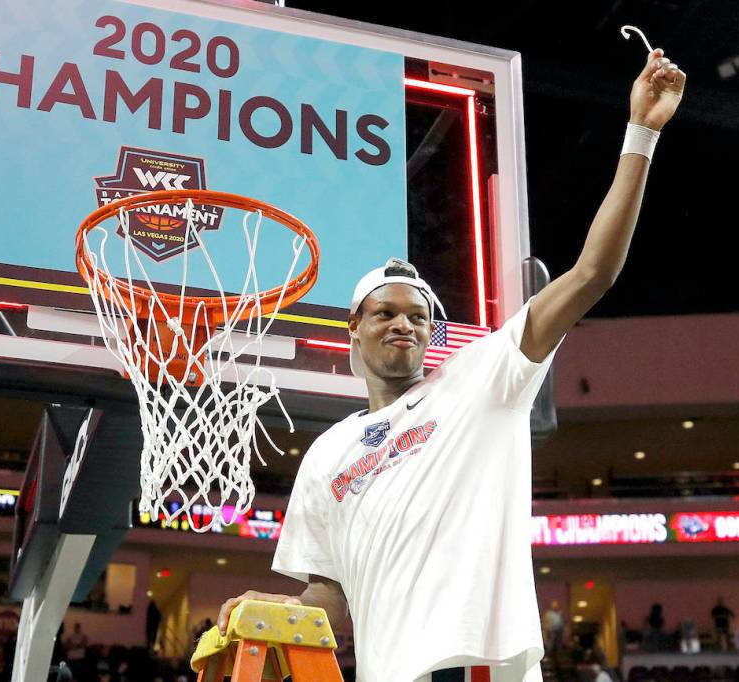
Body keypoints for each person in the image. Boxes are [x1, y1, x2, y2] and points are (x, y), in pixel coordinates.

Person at [217, 46, 687, 682]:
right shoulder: (327, 454)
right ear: (353, 327)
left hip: (479, 668)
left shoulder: (479, 379)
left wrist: (641, 134)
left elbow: (592, 274)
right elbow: (329, 596)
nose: (404, 324)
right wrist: (279, 608)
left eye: (418, 316)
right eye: (386, 313)